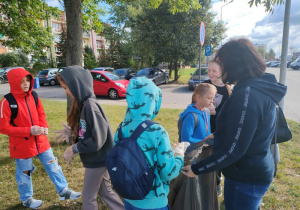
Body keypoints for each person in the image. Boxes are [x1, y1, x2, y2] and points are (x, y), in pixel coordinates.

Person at [182, 38, 287, 210]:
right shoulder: (258, 87)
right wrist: (217, 135)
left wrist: (197, 169)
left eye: (223, 63)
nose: (221, 69)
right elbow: (247, 128)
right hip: (255, 168)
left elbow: (234, 149)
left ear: (234, 64)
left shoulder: (247, 95)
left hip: (245, 176)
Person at [0, 68, 81, 209]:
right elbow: (3, 128)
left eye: (27, 80)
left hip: (41, 141)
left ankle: (64, 191)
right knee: (25, 173)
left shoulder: (34, 96)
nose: (26, 84)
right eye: (22, 81)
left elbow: (41, 114)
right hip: (22, 146)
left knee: (53, 165)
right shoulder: (6, 102)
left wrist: (44, 127)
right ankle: (27, 199)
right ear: (14, 82)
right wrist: (29, 130)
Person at [55, 65, 124, 210]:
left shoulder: (90, 106)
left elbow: (97, 139)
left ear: (76, 85)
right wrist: (73, 132)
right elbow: (88, 131)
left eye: (65, 88)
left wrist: (74, 148)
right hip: (99, 158)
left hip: (98, 159)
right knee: (105, 191)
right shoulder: (84, 104)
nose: (66, 92)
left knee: (88, 198)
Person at [115, 76, 184, 210]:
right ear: (153, 100)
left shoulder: (120, 129)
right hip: (153, 202)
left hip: (129, 197)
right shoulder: (157, 131)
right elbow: (168, 172)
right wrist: (180, 156)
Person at [168, 83, 219, 210]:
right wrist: (205, 139)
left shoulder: (206, 112)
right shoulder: (191, 116)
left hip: (203, 154)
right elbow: (186, 139)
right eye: (209, 98)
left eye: (213, 98)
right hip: (191, 157)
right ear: (198, 97)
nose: (211, 101)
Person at [203, 60, 232, 196]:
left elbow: (229, 113)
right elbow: (194, 102)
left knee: (217, 155)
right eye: (209, 70)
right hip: (204, 128)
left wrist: (216, 112)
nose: (211, 73)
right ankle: (203, 180)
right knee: (204, 154)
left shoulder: (227, 90)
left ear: (222, 72)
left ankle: (217, 182)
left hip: (218, 130)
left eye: (214, 71)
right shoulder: (205, 85)